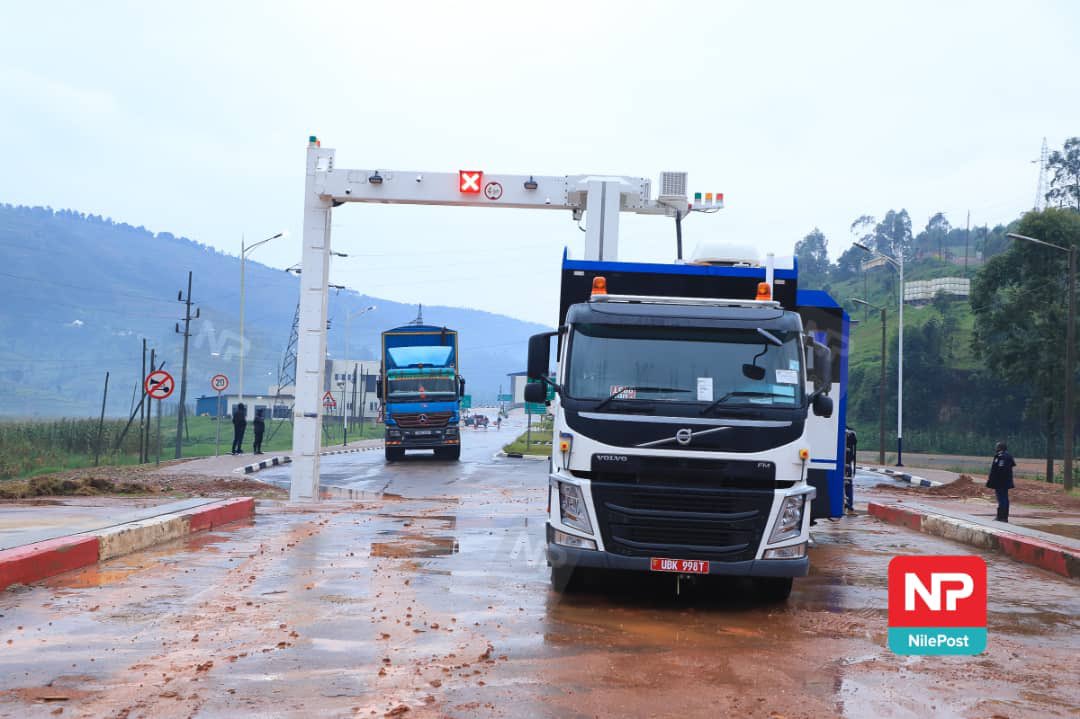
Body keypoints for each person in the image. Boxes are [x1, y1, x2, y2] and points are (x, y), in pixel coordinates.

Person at [987, 441, 1016, 522]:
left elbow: (1000, 469)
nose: (995, 448)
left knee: (1002, 499)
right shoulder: (1009, 456)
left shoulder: (1001, 456)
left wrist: (994, 481)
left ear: (1000, 448)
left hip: (1001, 482)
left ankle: (1001, 517)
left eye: (997, 447)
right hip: (1006, 481)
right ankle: (1004, 517)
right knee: (1005, 498)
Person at [844, 427, 857, 514]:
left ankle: (848, 507)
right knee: (848, 485)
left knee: (847, 484)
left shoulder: (850, 432)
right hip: (845, 463)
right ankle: (849, 508)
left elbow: (854, 442)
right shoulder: (850, 432)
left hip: (846, 463)